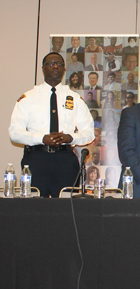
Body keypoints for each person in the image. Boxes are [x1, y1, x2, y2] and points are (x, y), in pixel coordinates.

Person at [9, 52, 95, 197]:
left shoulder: (75, 99)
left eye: (59, 64)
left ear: (64, 70)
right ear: (43, 68)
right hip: (36, 159)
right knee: (34, 210)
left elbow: (89, 134)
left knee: (67, 211)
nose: (55, 66)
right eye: (51, 63)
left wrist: (69, 138)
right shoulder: (28, 98)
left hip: (65, 160)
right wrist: (42, 138)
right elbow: (15, 132)